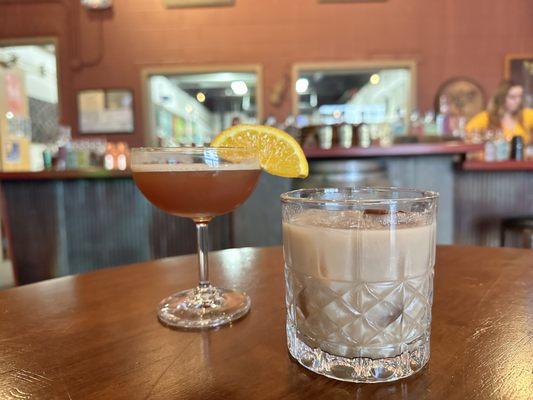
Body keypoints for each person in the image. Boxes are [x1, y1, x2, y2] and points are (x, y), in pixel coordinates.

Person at [466, 80, 533, 143]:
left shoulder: (526, 114)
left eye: (520, 96)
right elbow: (467, 133)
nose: (518, 101)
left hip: (522, 155)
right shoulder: (487, 116)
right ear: (501, 98)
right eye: (512, 97)